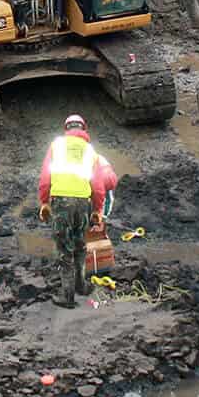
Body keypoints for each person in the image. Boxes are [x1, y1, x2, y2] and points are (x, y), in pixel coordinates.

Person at [36, 112, 117, 308]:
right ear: (84, 129)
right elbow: (98, 186)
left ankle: (68, 296)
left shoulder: (56, 145)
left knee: (65, 249)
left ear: (66, 130)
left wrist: (44, 202)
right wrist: (97, 210)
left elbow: (45, 177)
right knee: (80, 244)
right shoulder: (90, 151)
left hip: (61, 203)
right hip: (82, 204)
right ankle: (81, 285)